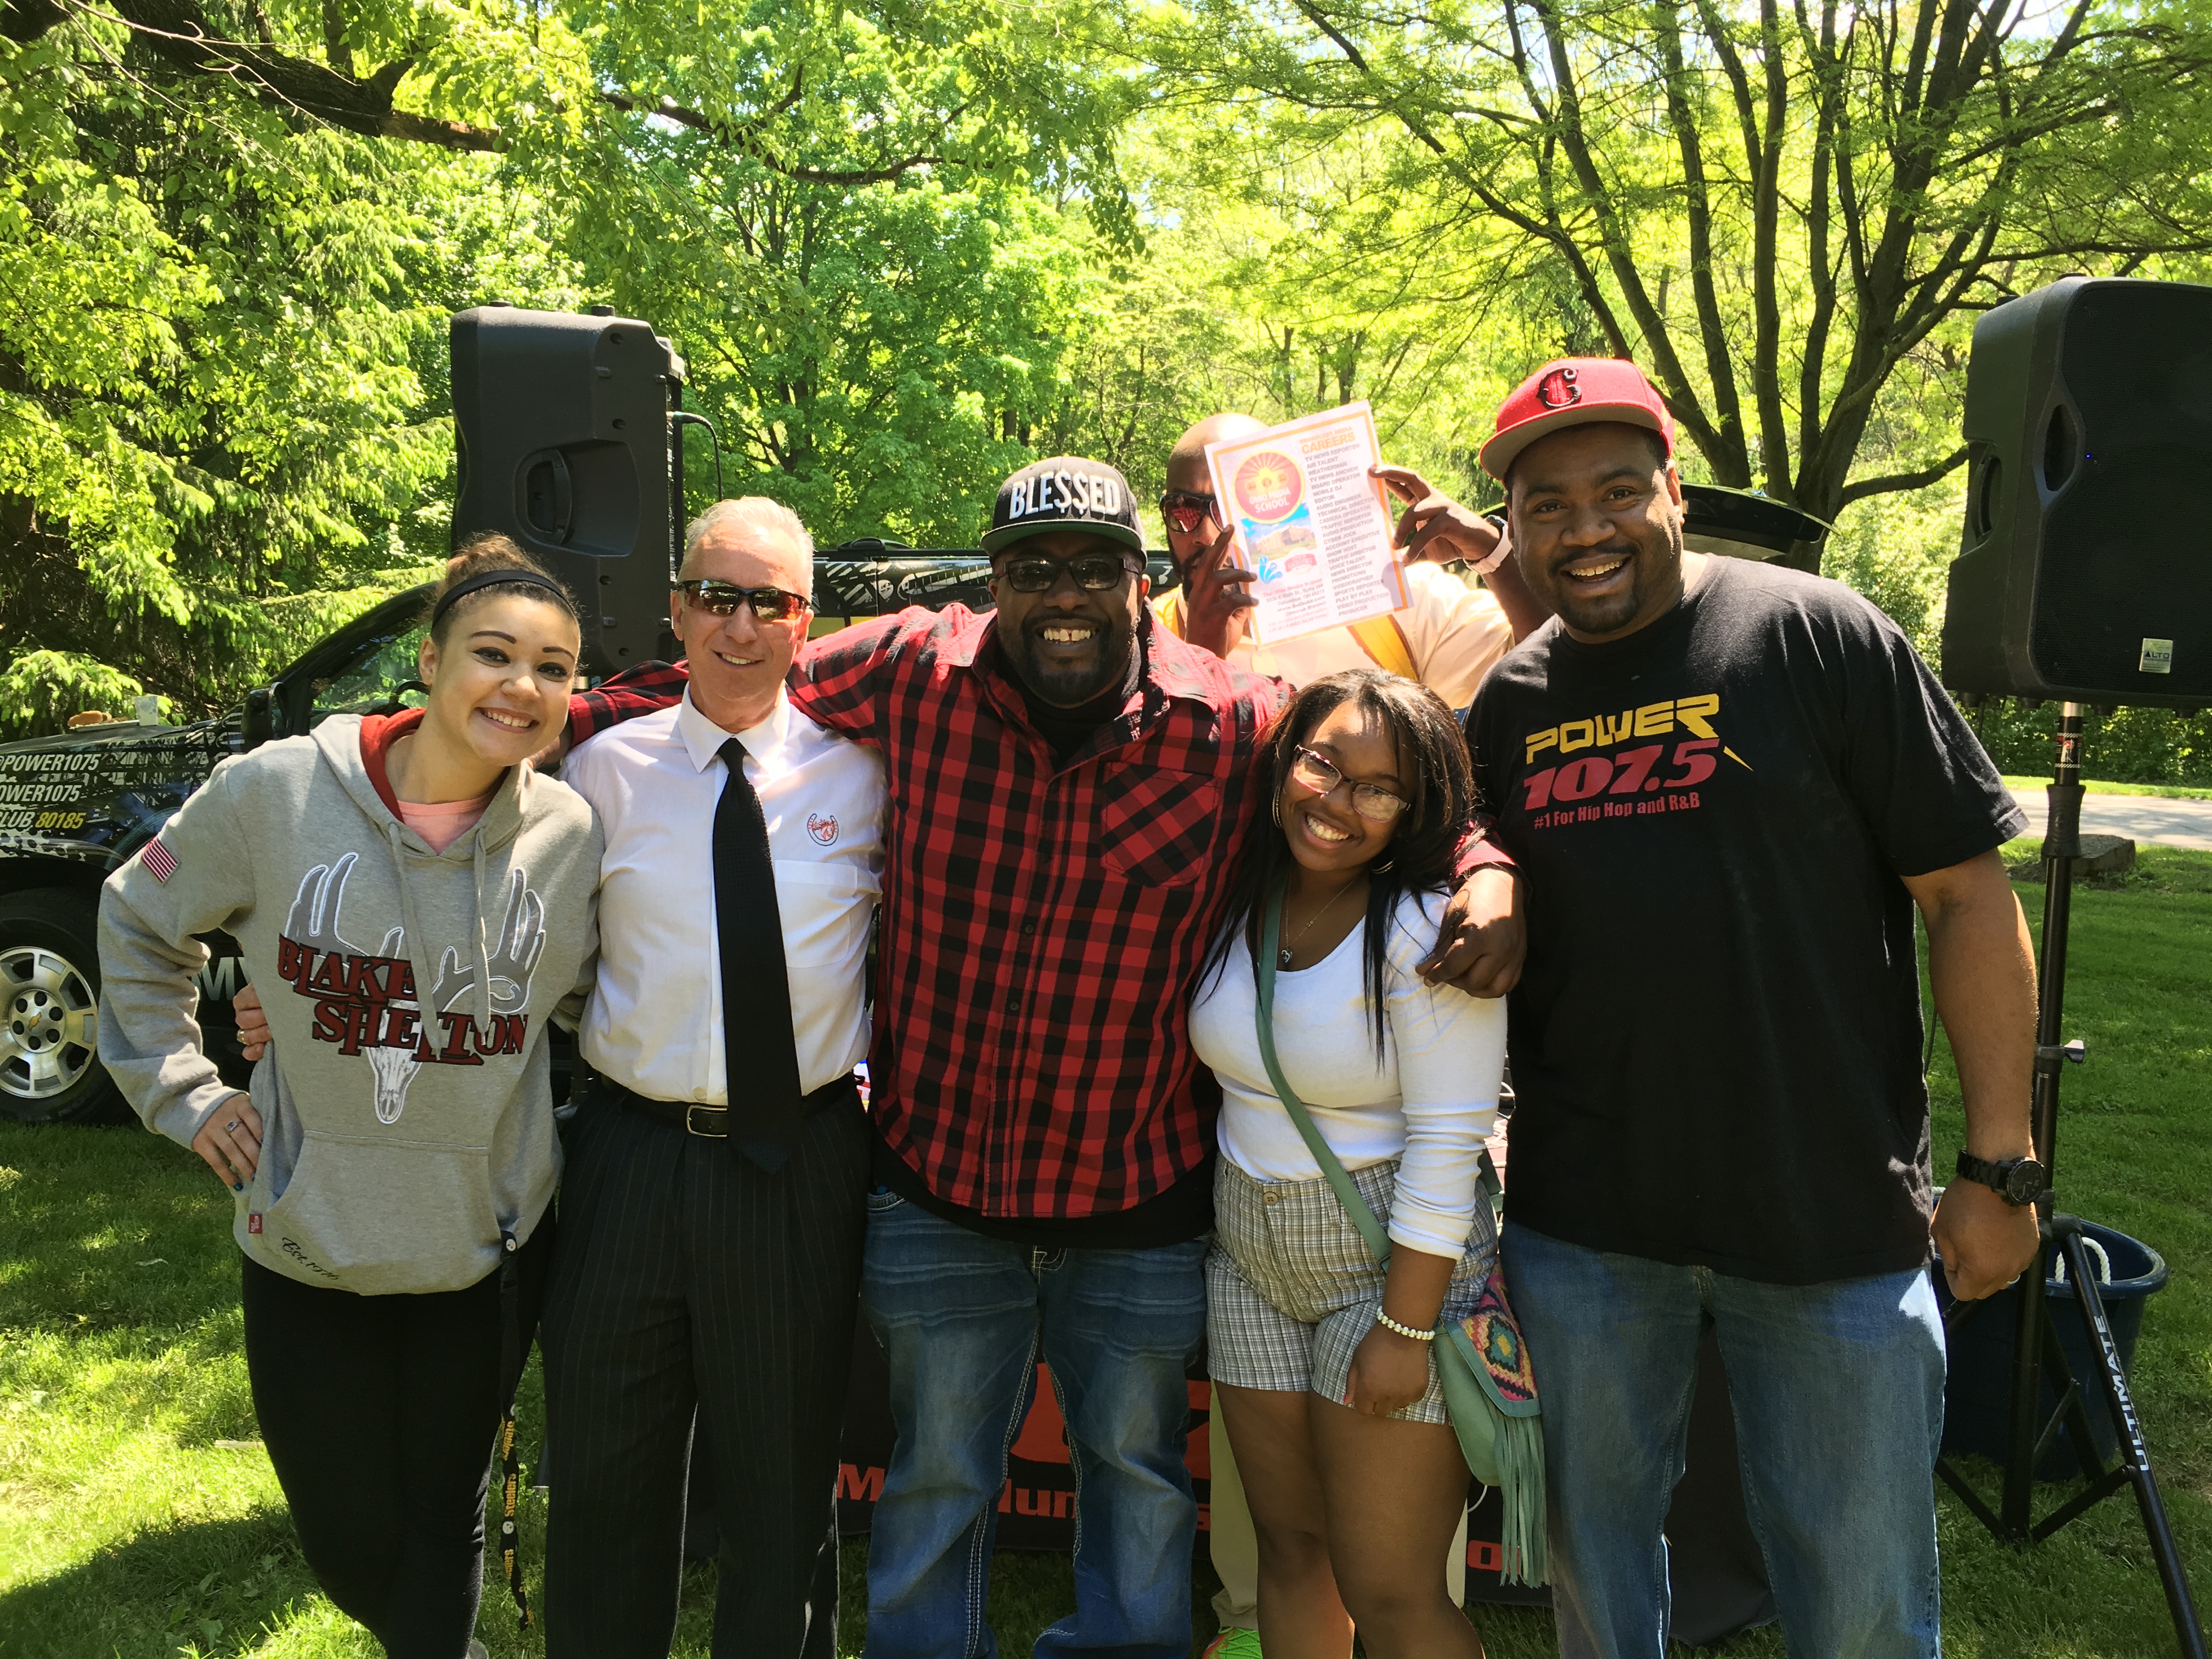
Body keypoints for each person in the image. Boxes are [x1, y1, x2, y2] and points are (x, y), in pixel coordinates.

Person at [561, 455, 1526, 1658]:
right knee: (934, 1481)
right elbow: (721, 671)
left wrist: (1483, 864)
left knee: (1134, 1480)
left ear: (1141, 581)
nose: (1062, 593)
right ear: (995, 581)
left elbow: (1385, 772)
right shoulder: (915, 671)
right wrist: (467, 720)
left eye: (1093, 567)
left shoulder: (1231, 722)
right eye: (1030, 569)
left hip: (1135, 1195)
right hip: (938, 1187)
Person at [1462, 358, 2042, 1658]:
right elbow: (1476, 875)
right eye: (1546, 504)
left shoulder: (1817, 634)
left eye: (1618, 490)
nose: (1586, 528)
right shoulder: (1511, 703)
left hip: (1826, 1216)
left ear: (1672, 489)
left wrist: (1999, 1167)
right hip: (1588, 1226)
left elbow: (1964, 893)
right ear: (1514, 529)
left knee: (1859, 1599)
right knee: (1595, 1568)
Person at [97, 537, 603, 1659]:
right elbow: (140, 920)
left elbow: (590, 1002)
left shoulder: (570, 840)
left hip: (484, 1250)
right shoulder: (275, 794)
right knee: (346, 1540)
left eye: (555, 668)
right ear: (427, 663)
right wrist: (185, 1089)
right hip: (309, 1238)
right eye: (493, 654)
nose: (522, 686)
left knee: (446, 1520)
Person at [1152, 414, 1541, 1656]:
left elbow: (1537, 712)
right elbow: (1172, 789)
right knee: (1282, 1562)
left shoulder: (1411, 596)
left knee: (1396, 1578)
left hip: (1387, 1233)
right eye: (1184, 500)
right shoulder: (1163, 631)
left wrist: (1504, 560)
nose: (1207, 521)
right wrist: (1209, 636)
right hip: (1247, 1226)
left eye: (1230, 492)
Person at [539, 497, 885, 1659]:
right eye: (717, 596)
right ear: (678, 609)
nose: (740, 624)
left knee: (784, 1493)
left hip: (796, 1160)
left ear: (807, 623)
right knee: (603, 1477)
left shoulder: (868, 779)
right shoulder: (596, 772)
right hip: (626, 1156)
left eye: (770, 601)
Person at [1190, 669, 1507, 1659]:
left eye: (1379, 788)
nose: (1336, 800)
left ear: (1415, 812)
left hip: (1388, 1256)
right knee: (1289, 1551)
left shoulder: (1424, 928)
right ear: (1286, 758)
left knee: (1391, 1588)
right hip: (1247, 1247)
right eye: (1323, 762)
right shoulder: (1236, 890)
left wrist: (1405, 1324)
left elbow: (1449, 1140)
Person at [1152, 412, 1551, 703]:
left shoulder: (1396, 600)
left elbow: (1549, 666)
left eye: (1229, 507)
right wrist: (1200, 664)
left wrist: (1491, 550)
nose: (1205, 534)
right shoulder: (1147, 634)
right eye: (1183, 512)